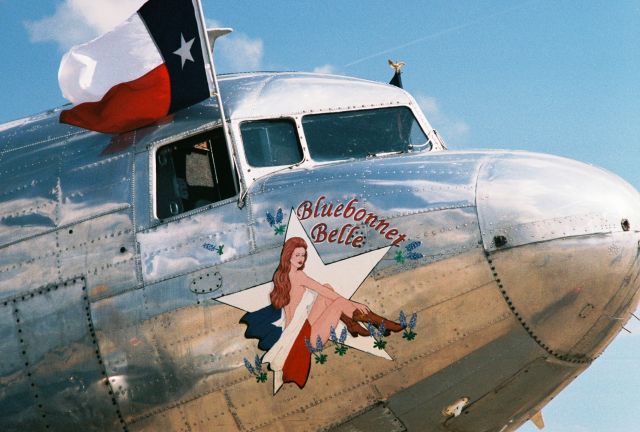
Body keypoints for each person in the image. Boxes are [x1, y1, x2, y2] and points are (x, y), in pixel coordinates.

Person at [241, 237, 404, 389]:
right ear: (288, 255)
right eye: (297, 254)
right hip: (301, 343)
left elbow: (321, 293)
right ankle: (379, 322)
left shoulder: (281, 276)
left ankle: (352, 324)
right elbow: (322, 292)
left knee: (327, 287)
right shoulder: (298, 276)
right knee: (336, 300)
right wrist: (354, 303)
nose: (301, 259)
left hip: (298, 331)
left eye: (303, 255)